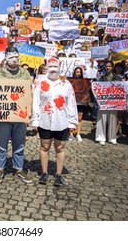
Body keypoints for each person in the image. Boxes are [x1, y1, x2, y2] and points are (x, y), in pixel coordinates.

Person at [31, 57, 78, 187]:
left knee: (60, 148)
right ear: (47, 68)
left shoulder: (66, 84)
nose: (53, 70)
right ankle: (44, 172)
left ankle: (58, 174)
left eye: (55, 67)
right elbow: (36, 103)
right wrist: (35, 120)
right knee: (44, 147)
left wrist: (72, 122)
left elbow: (71, 104)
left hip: (61, 121)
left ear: (59, 68)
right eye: (50, 67)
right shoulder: (40, 83)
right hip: (45, 121)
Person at [0, 47, 33, 184]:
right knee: (1, 144)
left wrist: (30, 111)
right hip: (3, 115)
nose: (14, 59)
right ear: (6, 57)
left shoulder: (25, 73)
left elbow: (29, 93)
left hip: (20, 115)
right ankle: (0, 168)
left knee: (19, 143)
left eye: (16, 56)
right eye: (11, 56)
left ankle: (19, 169)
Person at [95, 61, 122, 145]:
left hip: (113, 102)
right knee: (101, 119)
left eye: (109, 66)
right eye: (106, 66)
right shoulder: (101, 78)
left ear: (112, 67)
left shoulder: (118, 78)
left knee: (113, 119)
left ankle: (112, 137)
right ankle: (101, 137)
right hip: (103, 102)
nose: (108, 68)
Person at [70, 67, 86, 142]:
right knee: (71, 117)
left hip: (81, 102)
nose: (78, 73)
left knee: (79, 118)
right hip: (72, 102)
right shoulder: (70, 82)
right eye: (77, 72)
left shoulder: (84, 81)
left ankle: (78, 134)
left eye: (79, 72)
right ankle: (70, 133)